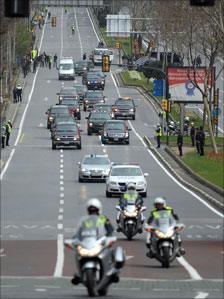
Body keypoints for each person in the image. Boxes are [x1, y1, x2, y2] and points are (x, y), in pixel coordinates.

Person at [71, 198, 114, 285]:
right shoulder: (85, 220)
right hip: (88, 243)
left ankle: (111, 271)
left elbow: (110, 229)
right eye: (91, 210)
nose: (93, 212)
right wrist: (75, 239)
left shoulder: (103, 219)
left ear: (99, 210)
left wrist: (108, 237)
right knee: (78, 253)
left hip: (100, 243)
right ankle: (80, 273)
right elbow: (79, 231)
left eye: (94, 210)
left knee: (110, 252)